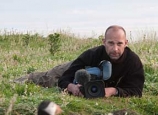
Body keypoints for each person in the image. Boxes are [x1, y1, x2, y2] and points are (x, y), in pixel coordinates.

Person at [14, 25, 145, 98]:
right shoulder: (92, 54)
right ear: (104, 42)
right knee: (48, 78)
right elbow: (65, 79)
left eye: (119, 44)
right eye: (110, 43)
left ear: (126, 43)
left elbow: (137, 90)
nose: (115, 49)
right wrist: (71, 86)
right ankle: (22, 79)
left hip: (105, 84)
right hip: (74, 69)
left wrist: (113, 91)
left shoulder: (133, 62)